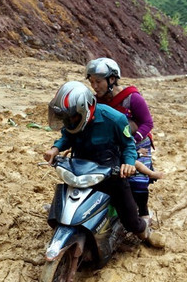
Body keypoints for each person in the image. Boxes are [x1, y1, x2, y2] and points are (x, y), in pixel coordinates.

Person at [43, 81, 160, 246]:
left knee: (131, 221)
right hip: (80, 171)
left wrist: (128, 163)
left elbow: (128, 145)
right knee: (60, 207)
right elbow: (67, 136)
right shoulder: (72, 120)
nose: (69, 122)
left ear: (86, 109)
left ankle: (145, 232)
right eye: (66, 119)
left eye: (72, 117)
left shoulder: (114, 119)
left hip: (111, 175)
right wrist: (56, 149)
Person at [85, 57, 158, 220]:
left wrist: (133, 141)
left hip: (138, 142)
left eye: (98, 82)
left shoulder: (132, 98)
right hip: (112, 144)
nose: (94, 87)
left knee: (138, 182)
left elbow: (147, 122)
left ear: (112, 80)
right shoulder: (95, 101)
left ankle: (144, 213)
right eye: (91, 82)